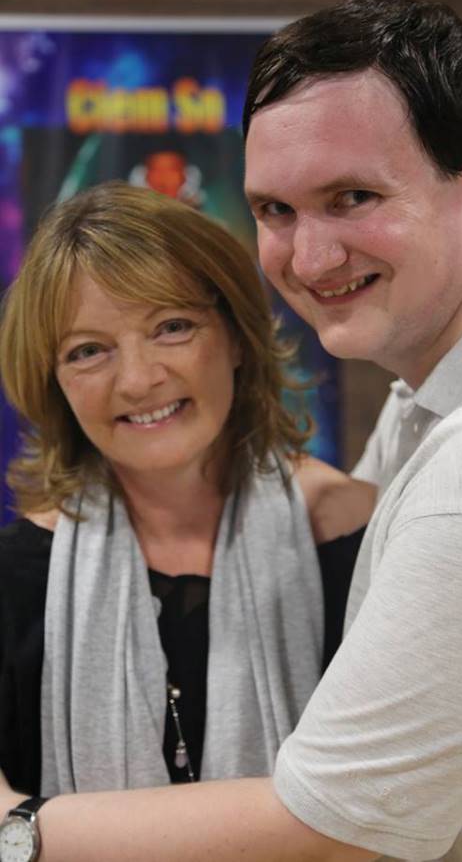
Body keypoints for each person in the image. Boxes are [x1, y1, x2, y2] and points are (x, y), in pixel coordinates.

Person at [1, 0, 462, 862]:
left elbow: (334, 823)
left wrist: (18, 827)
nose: (310, 258)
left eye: (352, 196)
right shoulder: (440, 391)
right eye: (275, 211)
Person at [0, 181, 374, 801]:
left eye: (172, 327)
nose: (138, 380)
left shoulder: (361, 539)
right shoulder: (13, 582)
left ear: (237, 337)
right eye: (88, 351)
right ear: (54, 382)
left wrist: (23, 824)